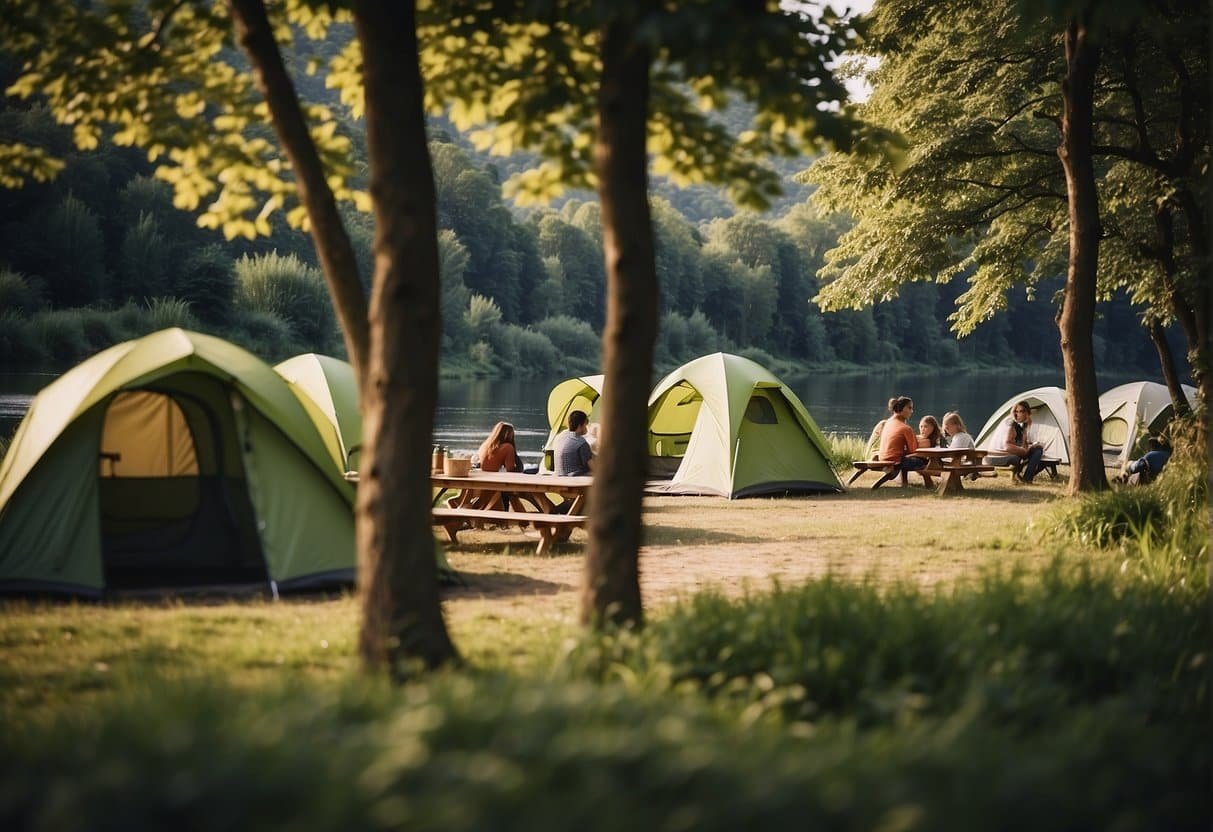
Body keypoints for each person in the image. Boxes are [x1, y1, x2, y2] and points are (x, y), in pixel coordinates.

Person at [871, 396, 929, 489]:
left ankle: (904, 483)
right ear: (901, 408)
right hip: (895, 461)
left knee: (906, 458)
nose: (912, 411)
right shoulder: (905, 428)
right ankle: (929, 485)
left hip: (883, 457)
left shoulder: (888, 422)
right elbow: (913, 450)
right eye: (909, 408)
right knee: (923, 462)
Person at [988, 400, 1044, 483]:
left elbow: (1022, 443)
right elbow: (1007, 446)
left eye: (1022, 411)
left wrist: (1026, 427)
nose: (1019, 414)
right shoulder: (1011, 424)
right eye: (1017, 411)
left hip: (993, 456)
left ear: (1028, 413)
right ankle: (1027, 479)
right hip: (997, 457)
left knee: (1032, 449)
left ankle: (1023, 477)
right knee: (1038, 450)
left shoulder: (1010, 422)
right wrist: (1025, 451)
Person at [553, 409, 594, 477]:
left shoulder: (560, 437)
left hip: (559, 477)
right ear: (579, 426)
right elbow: (594, 468)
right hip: (574, 479)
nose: (587, 428)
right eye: (586, 424)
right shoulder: (581, 442)